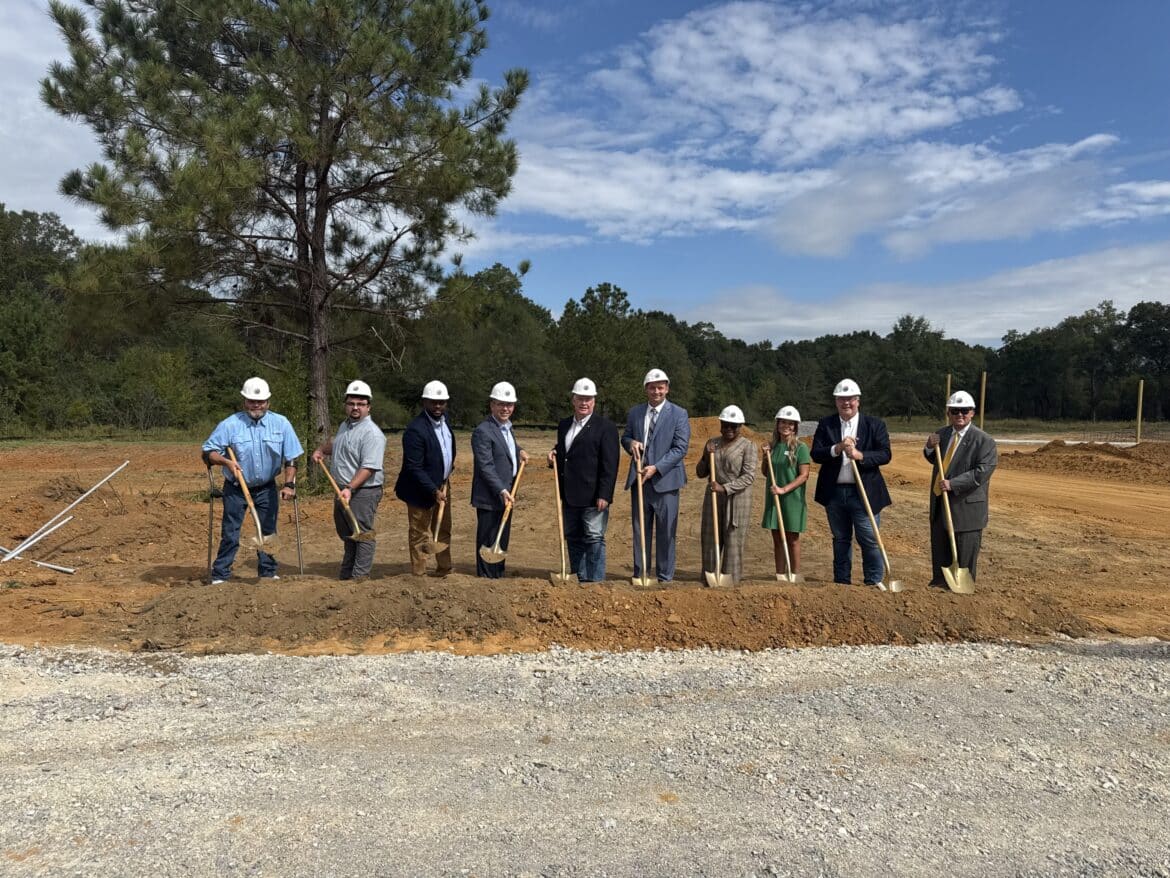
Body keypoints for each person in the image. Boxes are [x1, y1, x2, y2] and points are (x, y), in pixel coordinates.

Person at [202, 377, 304, 584]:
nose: (256, 405)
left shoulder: (281, 424)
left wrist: (289, 484)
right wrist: (226, 462)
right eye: (251, 401)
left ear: (268, 402)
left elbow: (292, 457)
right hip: (236, 488)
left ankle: (268, 572)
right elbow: (208, 452)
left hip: (266, 488)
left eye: (261, 401)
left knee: (267, 531)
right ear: (244, 401)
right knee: (231, 532)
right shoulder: (230, 425)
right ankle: (220, 574)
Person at [810, 379, 892, 587]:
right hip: (835, 493)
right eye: (841, 399)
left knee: (869, 539)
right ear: (836, 401)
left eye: (850, 399)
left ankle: (874, 581)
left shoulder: (874, 425)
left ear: (858, 401)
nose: (846, 403)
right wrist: (837, 448)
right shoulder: (826, 424)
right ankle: (841, 583)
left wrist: (859, 455)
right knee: (840, 539)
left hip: (864, 493)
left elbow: (885, 454)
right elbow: (816, 454)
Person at [311, 380, 386, 581]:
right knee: (348, 534)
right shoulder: (346, 426)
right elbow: (338, 444)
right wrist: (322, 450)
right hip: (343, 489)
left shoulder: (372, 434)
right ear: (346, 405)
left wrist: (350, 488)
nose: (355, 407)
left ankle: (359, 577)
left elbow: (369, 468)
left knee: (362, 534)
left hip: (362, 491)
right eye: (351, 403)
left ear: (368, 407)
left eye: (360, 404)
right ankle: (347, 573)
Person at [547, 378, 620, 582]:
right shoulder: (564, 425)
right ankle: (580, 578)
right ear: (573, 400)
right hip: (569, 495)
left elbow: (610, 464)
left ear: (594, 401)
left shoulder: (606, 427)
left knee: (594, 537)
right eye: (580, 398)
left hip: (593, 496)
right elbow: (566, 453)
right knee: (573, 536)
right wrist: (553, 456)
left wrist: (605, 494)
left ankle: (595, 582)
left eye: (588, 399)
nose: (584, 403)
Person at [621, 368, 691, 582]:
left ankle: (664, 576)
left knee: (666, 531)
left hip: (666, 481)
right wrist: (631, 443)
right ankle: (641, 573)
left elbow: (680, 448)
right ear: (646, 389)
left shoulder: (679, 414)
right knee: (640, 530)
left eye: (660, 387)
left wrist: (657, 468)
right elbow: (625, 437)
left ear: (667, 388)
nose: (656, 392)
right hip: (640, 481)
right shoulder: (635, 413)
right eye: (652, 388)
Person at [924, 390, 998, 587]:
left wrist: (953, 483)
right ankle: (939, 585)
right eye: (955, 411)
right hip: (941, 505)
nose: (960, 415)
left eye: (964, 411)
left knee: (964, 556)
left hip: (967, 510)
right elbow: (935, 459)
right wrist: (929, 447)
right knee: (940, 551)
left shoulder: (984, 441)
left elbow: (982, 472)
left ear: (972, 412)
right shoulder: (942, 434)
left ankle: (962, 594)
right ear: (948, 412)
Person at [394, 380, 457, 577]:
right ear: (424, 402)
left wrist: (445, 476)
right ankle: (419, 573)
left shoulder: (445, 422)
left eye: (441, 402)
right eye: (433, 402)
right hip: (419, 489)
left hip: (442, 484)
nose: (437, 406)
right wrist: (433, 490)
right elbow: (414, 467)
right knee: (419, 532)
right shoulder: (415, 429)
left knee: (443, 528)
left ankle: (444, 568)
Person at [471, 381, 529, 578]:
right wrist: (501, 490)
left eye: (509, 405)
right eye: (501, 404)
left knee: (502, 536)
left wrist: (519, 450)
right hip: (491, 495)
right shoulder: (483, 431)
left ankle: (498, 574)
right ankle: (486, 577)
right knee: (488, 537)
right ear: (492, 405)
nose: (505, 408)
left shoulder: (507, 427)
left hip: (508, 491)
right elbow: (485, 466)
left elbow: (505, 447)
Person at [695, 405, 756, 584]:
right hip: (714, 497)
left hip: (737, 499)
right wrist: (706, 456)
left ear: (740, 427)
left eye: (733, 426)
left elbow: (749, 476)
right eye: (725, 425)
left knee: (733, 540)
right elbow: (700, 473)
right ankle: (710, 577)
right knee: (710, 537)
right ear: (720, 425)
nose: (729, 429)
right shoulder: (712, 443)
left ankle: (731, 579)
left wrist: (725, 488)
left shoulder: (748, 446)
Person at [760, 405, 811, 577]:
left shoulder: (801, 448)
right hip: (774, 497)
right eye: (783, 422)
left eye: (790, 423)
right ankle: (780, 575)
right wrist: (765, 457)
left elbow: (804, 475)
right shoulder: (772, 446)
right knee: (777, 539)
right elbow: (765, 472)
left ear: (795, 427)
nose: (786, 426)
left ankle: (795, 575)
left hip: (792, 498)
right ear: (777, 424)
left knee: (792, 539)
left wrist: (784, 489)